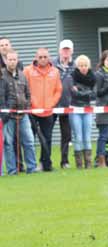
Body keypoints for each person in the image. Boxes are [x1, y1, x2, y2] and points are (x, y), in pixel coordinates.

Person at [24, 48, 62, 171]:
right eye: (40, 57)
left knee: (47, 138)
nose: (43, 59)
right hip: (32, 111)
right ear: (36, 58)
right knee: (30, 139)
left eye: (45, 57)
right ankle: (31, 165)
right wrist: (30, 103)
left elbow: (58, 90)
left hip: (48, 111)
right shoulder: (27, 71)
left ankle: (46, 164)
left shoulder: (55, 71)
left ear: (49, 58)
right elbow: (24, 89)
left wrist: (52, 103)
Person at [2, 50, 38, 175]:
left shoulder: (22, 75)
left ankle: (32, 168)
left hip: (23, 114)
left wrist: (27, 105)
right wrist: (5, 112)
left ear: (17, 60)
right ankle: (12, 170)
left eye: (14, 59)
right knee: (8, 143)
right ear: (6, 60)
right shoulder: (2, 76)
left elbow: (28, 93)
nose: (12, 62)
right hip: (8, 115)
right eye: (10, 59)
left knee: (29, 141)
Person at [70, 55, 96, 169]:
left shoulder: (93, 77)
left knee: (87, 136)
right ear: (77, 66)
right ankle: (79, 164)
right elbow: (73, 93)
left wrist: (80, 91)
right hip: (75, 109)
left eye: (85, 65)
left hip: (87, 109)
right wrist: (87, 93)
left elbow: (94, 94)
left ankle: (88, 164)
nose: (83, 68)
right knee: (78, 137)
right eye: (81, 65)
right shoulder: (72, 76)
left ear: (88, 66)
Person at [53, 39, 75, 169]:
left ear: (72, 51)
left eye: (68, 49)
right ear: (59, 50)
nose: (65, 52)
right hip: (53, 104)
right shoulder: (52, 64)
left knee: (66, 135)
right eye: (63, 49)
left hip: (69, 105)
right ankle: (45, 161)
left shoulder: (77, 65)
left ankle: (64, 161)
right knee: (47, 134)